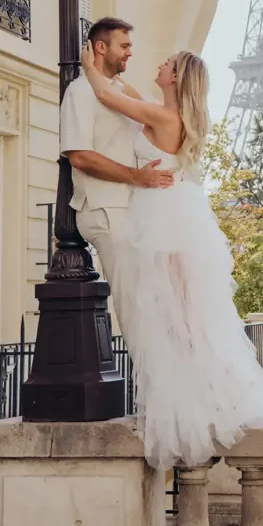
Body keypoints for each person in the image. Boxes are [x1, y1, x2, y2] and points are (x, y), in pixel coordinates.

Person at [79, 38, 263, 470]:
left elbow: (105, 96)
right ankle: (207, 394)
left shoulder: (162, 115)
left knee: (172, 316)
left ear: (176, 77)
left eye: (167, 62)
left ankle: (193, 401)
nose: (159, 63)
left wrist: (88, 58)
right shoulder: (170, 114)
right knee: (183, 314)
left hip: (162, 221)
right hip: (179, 216)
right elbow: (128, 97)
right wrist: (115, 74)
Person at [59, 17, 175, 333]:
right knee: (135, 307)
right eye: (124, 46)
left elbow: (134, 103)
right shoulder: (80, 92)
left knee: (154, 304)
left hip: (133, 210)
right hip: (106, 211)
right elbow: (79, 156)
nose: (129, 53)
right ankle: (150, 379)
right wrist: (136, 177)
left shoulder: (118, 91)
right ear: (100, 47)